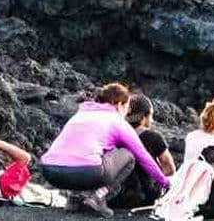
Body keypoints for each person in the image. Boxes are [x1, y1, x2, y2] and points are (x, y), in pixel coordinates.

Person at [40, 82, 171, 215]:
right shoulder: (117, 121)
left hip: (49, 171)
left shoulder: (80, 114)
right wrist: (165, 183)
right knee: (128, 156)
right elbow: (143, 157)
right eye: (126, 107)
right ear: (119, 103)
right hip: (85, 172)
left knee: (91, 153)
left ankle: (75, 198)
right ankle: (98, 197)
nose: (126, 113)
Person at [116, 94, 176, 208]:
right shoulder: (153, 137)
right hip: (146, 196)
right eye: (151, 116)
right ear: (144, 117)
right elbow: (170, 168)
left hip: (117, 196)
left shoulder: (114, 134)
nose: (152, 120)